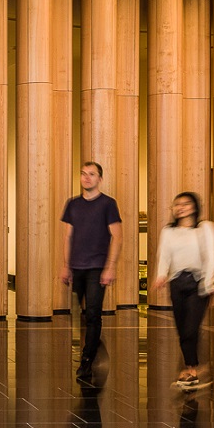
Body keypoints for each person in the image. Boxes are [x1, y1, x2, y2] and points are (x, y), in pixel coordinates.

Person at [59, 161, 122, 388]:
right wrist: (66, 265)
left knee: (93, 313)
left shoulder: (108, 204)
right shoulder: (73, 204)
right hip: (77, 266)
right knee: (81, 314)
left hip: (97, 266)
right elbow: (68, 236)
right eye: (83, 174)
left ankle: (86, 359)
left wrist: (110, 266)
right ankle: (93, 344)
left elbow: (117, 236)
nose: (86, 178)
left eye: (92, 174)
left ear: (100, 179)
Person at [152, 191, 214, 390]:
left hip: (197, 283)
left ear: (195, 206)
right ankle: (192, 365)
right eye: (177, 204)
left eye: (186, 203)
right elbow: (163, 255)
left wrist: (209, 282)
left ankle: (191, 369)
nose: (181, 207)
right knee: (182, 329)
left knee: (191, 327)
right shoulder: (168, 231)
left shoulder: (205, 228)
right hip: (177, 283)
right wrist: (161, 275)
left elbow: (212, 256)